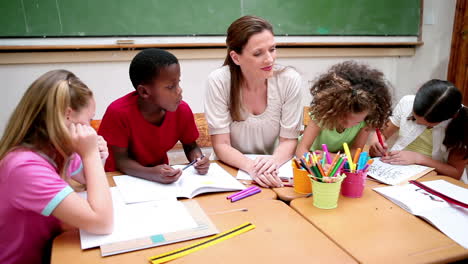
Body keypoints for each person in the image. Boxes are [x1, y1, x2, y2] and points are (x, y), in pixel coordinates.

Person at [0, 70, 113, 264]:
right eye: (89, 120)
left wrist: (94, 155)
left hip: (50, 247)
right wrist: (91, 154)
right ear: (68, 115)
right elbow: (102, 222)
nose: (91, 128)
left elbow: (89, 181)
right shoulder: (24, 167)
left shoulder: (56, 150)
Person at [204, 15, 303, 188]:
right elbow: (221, 144)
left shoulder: (289, 79)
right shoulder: (218, 81)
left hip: (273, 169)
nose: (270, 59)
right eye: (258, 53)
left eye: (272, 49)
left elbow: (289, 140)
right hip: (230, 171)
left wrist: (272, 163)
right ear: (236, 58)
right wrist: (252, 168)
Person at [99, 48, 209, 183]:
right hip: (119, 179)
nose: (179, 90)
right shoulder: (118, 113)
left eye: (178, 83)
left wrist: (198, 159)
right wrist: (151, 174)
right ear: (144, 91)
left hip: (160, 179)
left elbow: (191, 146)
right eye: (170, 86)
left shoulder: (182, 110)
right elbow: (121, 160)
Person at [370, 79, 468, 181]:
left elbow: (455, 173)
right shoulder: (407, 102)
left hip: (435, 179)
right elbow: (382, 133)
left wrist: (419, 158)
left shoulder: (462, 124)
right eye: (414, 117)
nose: (417, 123)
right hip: (396, 170)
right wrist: (375, 144)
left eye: (426, 124)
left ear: (448, 118)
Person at [295, 61, 392, 159]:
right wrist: (315, 163)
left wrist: (333, 158)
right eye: (343, 118)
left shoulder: (366, 122)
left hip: (338, 162)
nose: (348, 125)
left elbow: (356, 152)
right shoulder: (322, 116)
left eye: (357, 122)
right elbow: (301, 150)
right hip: (312, 157)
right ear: (334, 109)